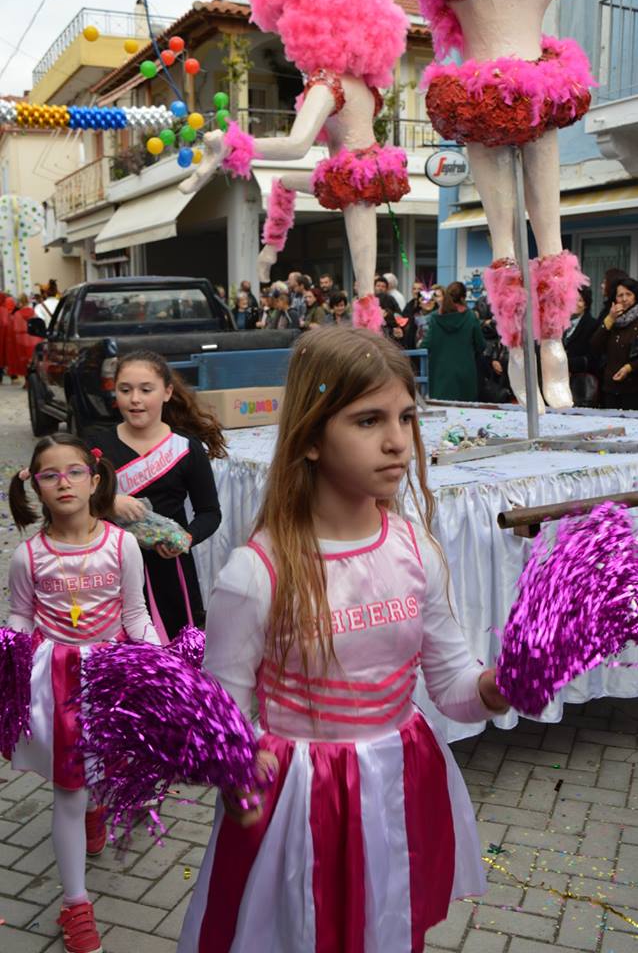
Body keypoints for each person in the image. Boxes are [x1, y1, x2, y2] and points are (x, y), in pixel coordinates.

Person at [177, 328, 509, 953]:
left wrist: (503, 684)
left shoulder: (415, 548)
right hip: (299, 804)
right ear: (308, 438)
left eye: (406, 417)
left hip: (396, 783)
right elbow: (221, 719)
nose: (397, 442)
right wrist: (236, 771)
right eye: (367, 420)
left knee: (386, 928)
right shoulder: (258, 572)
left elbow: (455, 688)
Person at [8, 433, 160, 953]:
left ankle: (98, 808)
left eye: (74, 472)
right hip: (57, 683)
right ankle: (75, 905)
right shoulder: (27, 555)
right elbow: (21, 616)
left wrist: (162, 667)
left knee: (107, 768)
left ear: (95, 480)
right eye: (50, 475)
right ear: (36, 488)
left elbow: (136, 614)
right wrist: (9, 653)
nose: (63, 483)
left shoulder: (121, 545)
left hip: (113, 678)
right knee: (68, 789)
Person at [180, 0, 410, 331]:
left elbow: (297, 145)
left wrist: (237, 144)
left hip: (352, 177)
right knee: (285, 184)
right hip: (362, 168)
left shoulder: (327, 84)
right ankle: (270, 251)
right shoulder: (364, 85)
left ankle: (368, 341)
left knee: (364, 282)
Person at [419, 0, 594, 410]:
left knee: (549, 236)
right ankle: (518, 348)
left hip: (538, 88)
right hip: (476, 95)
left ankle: (552, 345)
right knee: (504, 243)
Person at [89, 350, 224, 641]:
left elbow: (210, 513)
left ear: (167, 392)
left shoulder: (187, 448)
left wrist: (186, 539)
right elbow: (73, 504)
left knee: (173, 656)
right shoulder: (95, 446)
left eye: (145, 390)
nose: (134, 399)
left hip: (170, 571)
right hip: (111, 569)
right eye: (125, 390)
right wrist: (107, 502)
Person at [419, 282, 486, 401]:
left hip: (440, 374)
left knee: (443, 414)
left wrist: (419, 343)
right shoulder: (470, 317)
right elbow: (481, 345)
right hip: (466, 374)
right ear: (463, 298)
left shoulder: (435, 318)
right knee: (466, 414)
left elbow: (426, 345)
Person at [589, 278, 638, 410]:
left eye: (628, 294)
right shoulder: (611, 319)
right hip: (610, 387)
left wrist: (629, 368)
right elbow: (595, 345)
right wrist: (610, 319)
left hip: (633, 388)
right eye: (620, 295)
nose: (624, 299)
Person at [563, 285, 599, 407]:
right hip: (560, 383)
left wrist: (566, 364)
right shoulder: (561, 324)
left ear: (586, 304)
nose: (574, 303)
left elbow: (593, 358)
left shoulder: (592, 325)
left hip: (581, 386)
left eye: (580, 300)